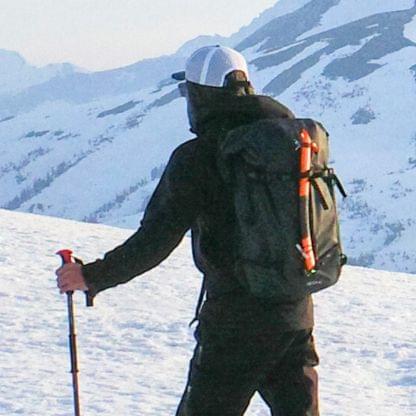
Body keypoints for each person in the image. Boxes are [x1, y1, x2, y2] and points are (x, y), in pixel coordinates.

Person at [56, 45, 320, 416]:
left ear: (200, 94)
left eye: (187, 91)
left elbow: (154, 241)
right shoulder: (290, 143)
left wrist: (91, 275)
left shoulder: (199, 157)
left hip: (235, 319)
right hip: (294, 310)